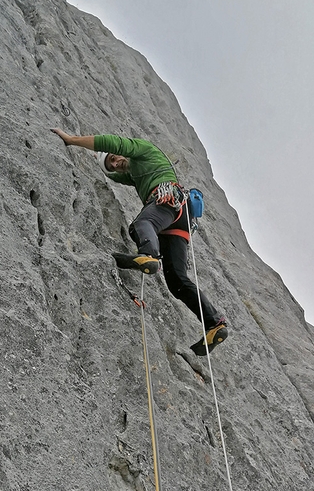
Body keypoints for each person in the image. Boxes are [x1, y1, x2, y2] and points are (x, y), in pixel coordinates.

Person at [51, 129, 228, 355]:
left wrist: (71, 140)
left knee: (141, 224)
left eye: (114, 157)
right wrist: (98, 162)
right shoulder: (134, 173)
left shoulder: (143, 151)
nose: (115, 163)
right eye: (111, 164)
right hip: (179, 222)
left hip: (168, 199)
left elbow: (111, 142)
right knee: (177, 280)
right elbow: (112, 175)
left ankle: (150, 255)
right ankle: (215, 323)